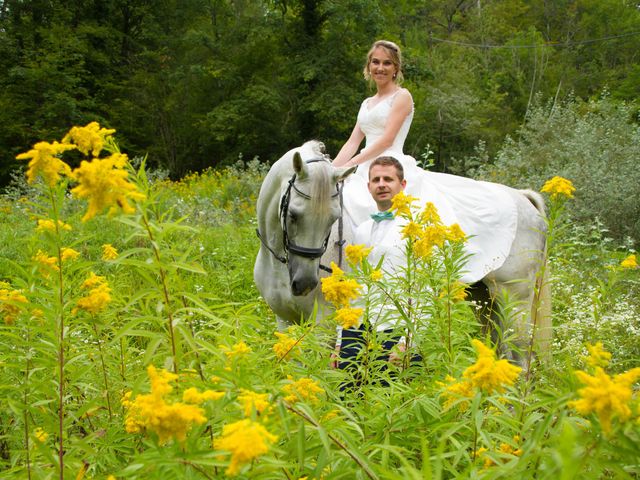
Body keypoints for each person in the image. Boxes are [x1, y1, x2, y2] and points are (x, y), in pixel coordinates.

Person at [333, 39, 518, 285]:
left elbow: (387, 139)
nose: (380, 68)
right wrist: (332, 169)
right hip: (364, 165)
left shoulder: (402, 96)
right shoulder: (366, 104)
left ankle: (396, 271)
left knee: (375, 208)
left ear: (396, 68)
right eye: (375, 62)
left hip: (390, 163)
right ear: (368, 66)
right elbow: (353, 141)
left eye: (387, 63)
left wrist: (352, 165)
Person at [336, 156, 418, 387]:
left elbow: (424, 289)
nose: (382, 184)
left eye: (388, 179)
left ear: (402, 185)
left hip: (394, 328)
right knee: (348, 395)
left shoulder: (416, 229)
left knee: (387, 398)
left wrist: (406, 343)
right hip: (357, 327)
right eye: (376, 180)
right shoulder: (361, 231)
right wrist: (340, 341)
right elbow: (351, 288)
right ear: (369, 187)